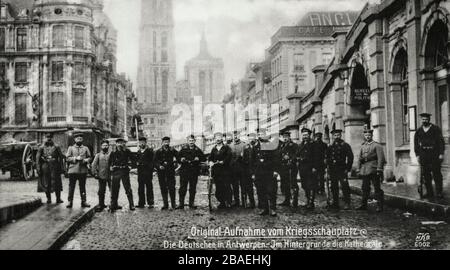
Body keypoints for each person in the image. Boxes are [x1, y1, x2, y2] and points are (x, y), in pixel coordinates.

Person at [414, 113, 446, 199]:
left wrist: (441, 153)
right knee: (426, 175)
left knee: (436, 174)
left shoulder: (435, 129)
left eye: (426, 119)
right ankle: (429, 192)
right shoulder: (419, 131)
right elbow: (416, 144)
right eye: (423, 119)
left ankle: (439, 192)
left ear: (429, 119)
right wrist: (417, 155)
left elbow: (441, 142)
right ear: (421, 120)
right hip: (424, 155)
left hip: (434, 154)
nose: (424, 121)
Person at [356, 129, 386, 212]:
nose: (367, 136)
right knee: (365, 187)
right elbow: (359, 158)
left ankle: (380, 206)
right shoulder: (363, 146)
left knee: (377, 188)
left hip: (374, 169)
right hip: (365, 170)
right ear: (364, 136)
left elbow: (381, 158)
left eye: (369, 135)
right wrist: (358, 168)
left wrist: (379, 169)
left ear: (372, 136)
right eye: (366, 135)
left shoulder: (377, 145)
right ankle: (363, 204)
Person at [253, 128, 279, 217]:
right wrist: (253, 173)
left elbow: (276, 158)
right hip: (259, 173)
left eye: (261, 134)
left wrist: (276, 170)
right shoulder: (255, 146)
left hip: (269, 172)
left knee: (271, 190)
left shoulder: (271, 145)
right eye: (259, 134)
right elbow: (252, 160)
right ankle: (265, 208)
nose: (260, 136)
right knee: (261, 191)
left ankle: (272, 208)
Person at [326, 129, 354, 211]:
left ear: (341, 135)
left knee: (344, 186)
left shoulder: (345, 145)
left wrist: (347, 168)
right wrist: (327, 164)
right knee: (334, 186)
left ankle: (347, 203)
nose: (336, 137)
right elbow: (327, 157)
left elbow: (350, 158)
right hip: (333, 170)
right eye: (335, 135)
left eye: (338, 135)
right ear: (332, 136)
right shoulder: (330, 146)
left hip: (342, 169)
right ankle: (335, 202)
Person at [177, 135, 205, 209]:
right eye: (190, 141)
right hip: (184, 171)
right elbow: (178, 157)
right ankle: (181, 204)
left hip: (193, 171)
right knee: (182, 188)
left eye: (192, 141)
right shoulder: (183, 149)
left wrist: (198, 158)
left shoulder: (197, 150)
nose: (191, 142)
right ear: (187, 141)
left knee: (192, 188)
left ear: (194, 141)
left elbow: (204, 158)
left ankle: (191, 203)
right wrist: (181, 159)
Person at [36, 132, 64, 204]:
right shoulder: (41, 147)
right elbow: (37, 159)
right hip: (45, 166)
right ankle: (48, 199)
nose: (49, 139)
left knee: (57, 183)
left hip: (55, 166)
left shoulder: (56, 147)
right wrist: (38, 168)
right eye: (47, 137)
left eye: (50, 137)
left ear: (52, 138)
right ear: (45, 138)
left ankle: (58, 198)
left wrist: (62, 168)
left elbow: (61, 158)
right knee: (46, 182)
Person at [66, 133, 92, 209]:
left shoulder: (86, 148)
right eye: (77, 139)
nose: (79, 140)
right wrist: (75, 158)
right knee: (71, 187)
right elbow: (67, 158)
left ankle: (83, 201)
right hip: (73, 171)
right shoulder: (71, 148)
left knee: (82, 187)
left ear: (82, 140)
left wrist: (85, 160)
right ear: (75, 140)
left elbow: (90, 157)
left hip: (82, 171)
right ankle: (70, 201)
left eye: (80, 139)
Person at [109, 138, 135, 211]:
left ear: (124, 144)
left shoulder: (127, 151)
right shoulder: (113, 152)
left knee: (128, 188)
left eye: (121, 143)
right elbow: (110, 162)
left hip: (124, 171)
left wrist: (130, 166)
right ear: (116, 144)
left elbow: (133, 159)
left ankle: (131, 204)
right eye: (118, 143)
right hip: (116, 171)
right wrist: (111, 167)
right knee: (114, 189)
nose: (120, 144)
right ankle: (113, 204)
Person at [209, 132, 233, 209]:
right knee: (219, 187)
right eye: (216, 138)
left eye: (219, 137)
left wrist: (223, 161)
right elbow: (210, 158)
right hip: (216, 172)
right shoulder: (214, 149)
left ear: (222, 138)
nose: (218, 139)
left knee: (227, 186)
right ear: (214, 139)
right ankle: (221, 202)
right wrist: (211, 162)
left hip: (225, 171)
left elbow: (229, 157)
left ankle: (229, 202)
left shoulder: (226, 148)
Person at [296, 128, 318, 210]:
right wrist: (298, 158)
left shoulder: (313, 144)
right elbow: (297, 154)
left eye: (306, 135)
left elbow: (317, 157)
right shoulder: (300, 144)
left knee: (311, 185)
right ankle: (308, 200)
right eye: (303, 135)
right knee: (304, 185)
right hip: (302, 168)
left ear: (309, 135)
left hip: (310, 168)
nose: (305, 136)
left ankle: (311, 202)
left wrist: (315, 167)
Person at [154, 136, 178, 210]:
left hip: (170, 171)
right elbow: (155, 161)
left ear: (169, 142)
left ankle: (173, 204)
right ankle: (165, 204)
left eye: (167, 142)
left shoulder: (172, 150)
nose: (166, 143)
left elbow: (179, 156)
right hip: (161, 172)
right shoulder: (158, 151)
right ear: (162, 143)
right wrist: (159, 166)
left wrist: (176, 163)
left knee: (172, 188)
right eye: (165, 142)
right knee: (163, 188)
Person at [279, 131, 299, 208]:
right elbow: (280, 154)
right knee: (285, 184)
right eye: (284, 137)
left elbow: (296, 154)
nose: (285, 138)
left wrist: (290, 158)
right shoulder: (282, 145)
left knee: (293, 183)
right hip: (284, 167)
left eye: (286, 137)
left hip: (292, 167)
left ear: (289, 137)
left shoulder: (294, 145)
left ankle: (294, 201)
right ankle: (287, 200)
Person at [91, 140, 112, 212]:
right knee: (101, 191)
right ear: (101, 146)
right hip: (101, 175)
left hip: (110, 175)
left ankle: (113, 204)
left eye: (106, 145)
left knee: (112, 190)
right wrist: (94, 173)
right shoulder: (98, 155)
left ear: (108, 146)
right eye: (104, 145)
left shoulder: (111, 154)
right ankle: (101, 204)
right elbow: (93, 165)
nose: (105, 147)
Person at [136, 137, 155, 209]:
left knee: (149, 187)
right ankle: (141, 203)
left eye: (143, 142)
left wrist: (150, 169)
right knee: (140, 188)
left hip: (148, 172)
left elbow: (152, 161)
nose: (142, 144)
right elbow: (136, 161)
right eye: (140, 142)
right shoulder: (138, 152)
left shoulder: (150, 151)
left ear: (145, 143)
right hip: (140, 173)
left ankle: (150, 203)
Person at [229, 131, 246, 208]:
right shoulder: (230, 146)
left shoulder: (244, 145)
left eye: (237, 135)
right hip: (233, 170)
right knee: (235, 186)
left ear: (240, 135)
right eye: (234, 135)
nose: (235, 137)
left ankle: (244, 202)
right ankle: (237, 201)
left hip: (242, 169)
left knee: (243, 186)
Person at [242, 133, 257, 209]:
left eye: (252, 138)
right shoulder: (246, 149)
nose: (251, 139)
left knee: (260, 187)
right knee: (249, 187)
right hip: (248, 171)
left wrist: (254, 172)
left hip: (257, 170)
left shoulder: (258, 147)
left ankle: (262, 204)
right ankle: (252, 203)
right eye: (250, 138)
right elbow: (244, 160)